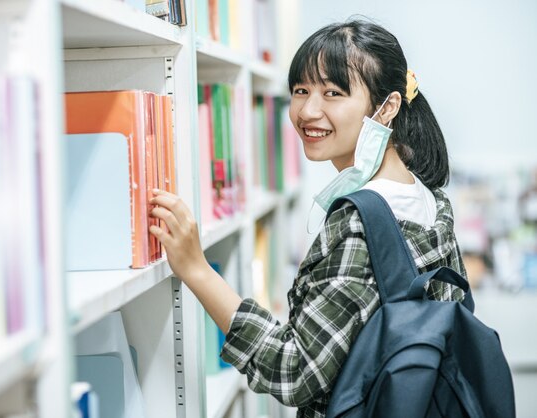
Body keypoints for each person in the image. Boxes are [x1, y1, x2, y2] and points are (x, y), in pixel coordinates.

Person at [149, 19, 466, 418]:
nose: (308, 111)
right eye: (301, 90)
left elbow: (295, 370)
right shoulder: (428, 198)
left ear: (387, 107)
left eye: (333, 93)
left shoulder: (362, 224)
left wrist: (197, 269)